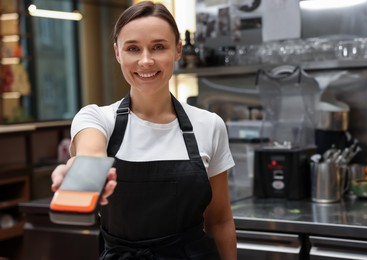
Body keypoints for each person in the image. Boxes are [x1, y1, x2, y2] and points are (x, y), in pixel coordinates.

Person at [51, 1, 237, 259]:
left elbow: (219, 220)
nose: (146, 60)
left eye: (158, 47)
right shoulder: (97, 117)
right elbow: (89, 154)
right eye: (133, 49)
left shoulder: (209, 124)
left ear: (178, 50)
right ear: (117, 53)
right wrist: (79, 172)